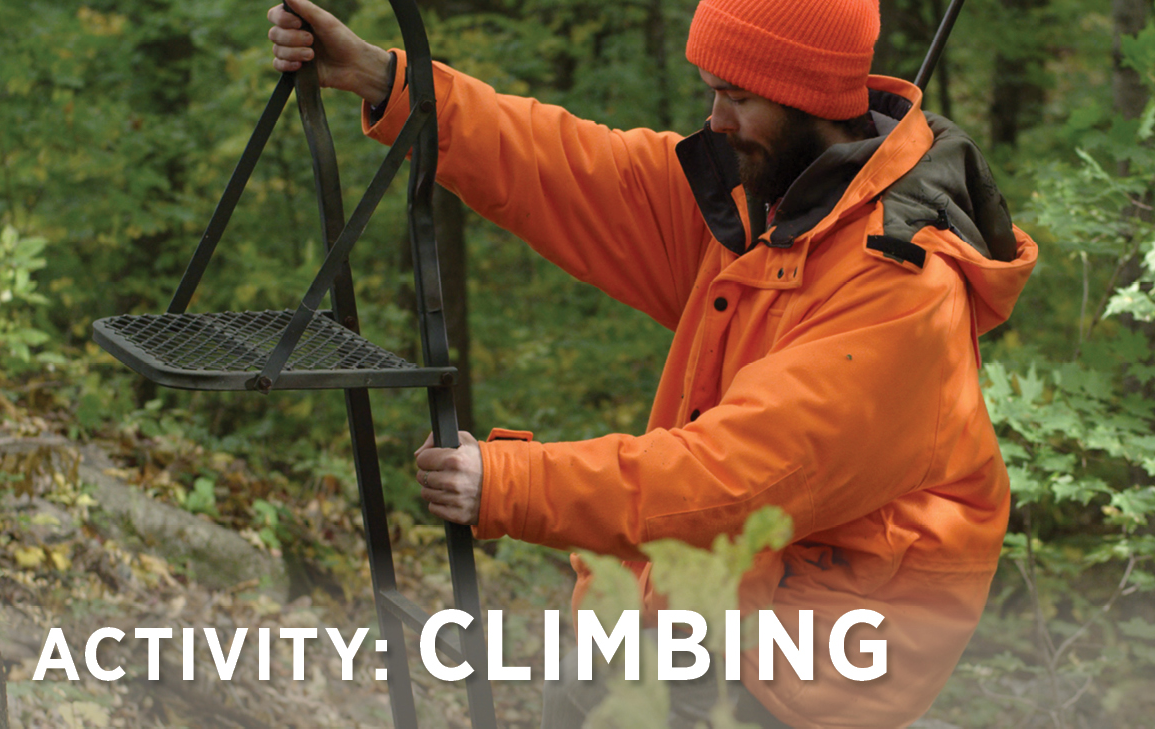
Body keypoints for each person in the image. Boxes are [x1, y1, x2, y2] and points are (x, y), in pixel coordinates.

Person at [268, 0, 1038, 725]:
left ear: (809, 97)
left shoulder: (900, 292)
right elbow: (568, 169)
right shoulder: (762, 198)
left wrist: (506, 482)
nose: (715, 118)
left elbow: (732, 478)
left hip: (805, 665)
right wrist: (387, 81)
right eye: (711, 91)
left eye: (736, 96)